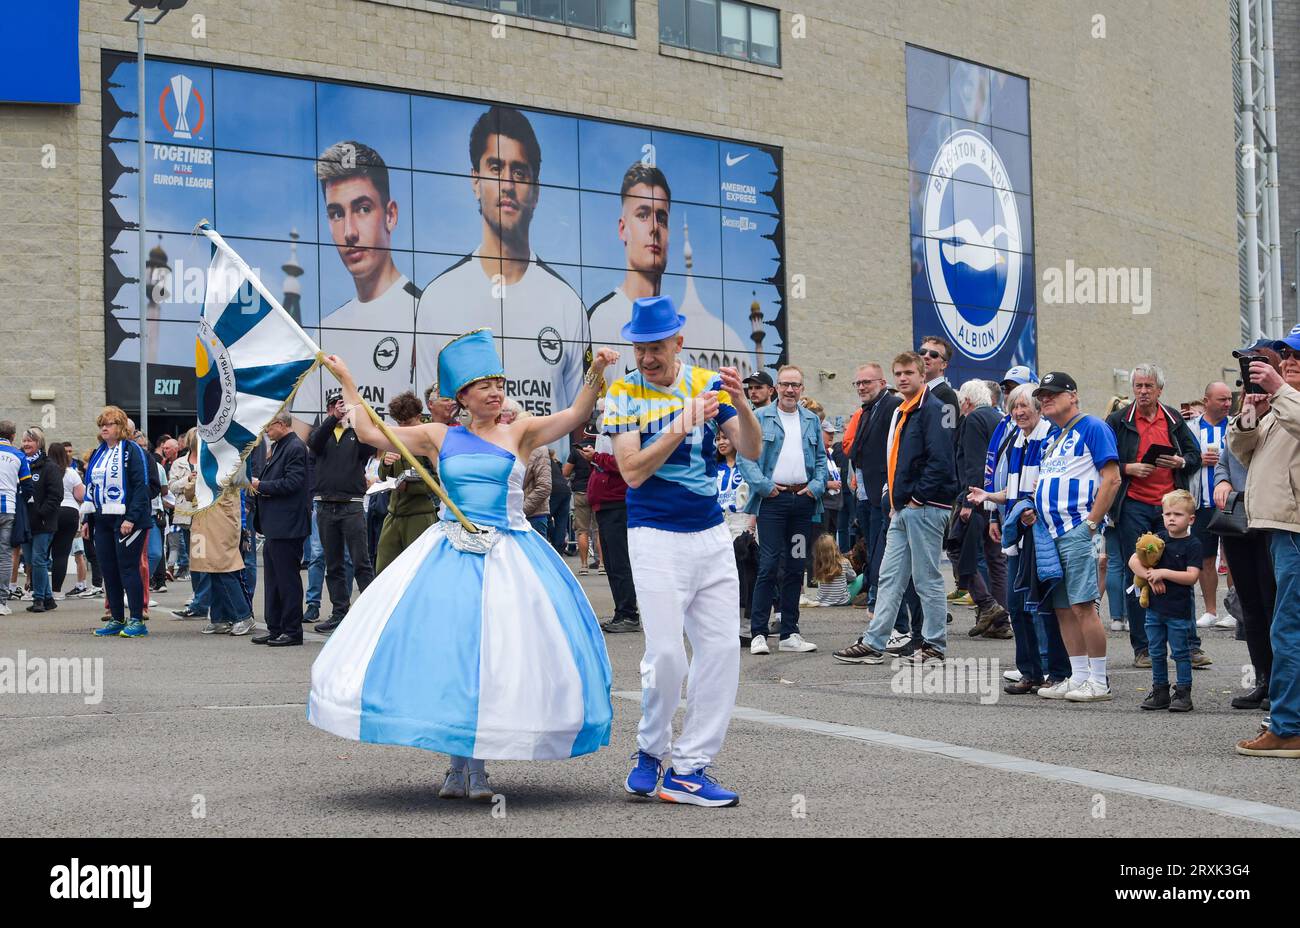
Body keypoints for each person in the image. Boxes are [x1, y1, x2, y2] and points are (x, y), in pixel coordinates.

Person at [308, 330, 616, 800]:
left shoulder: (522, 431)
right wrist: (348, 379)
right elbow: (371, 432)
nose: (494, 392)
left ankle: (478, 768)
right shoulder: (438, 436)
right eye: (483, 386)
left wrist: (597, 372)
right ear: (462, 397)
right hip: (448, 555)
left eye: (499, 382)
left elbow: (576, 414)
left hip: (511, 557)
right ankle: (457, 768)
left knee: (494, 660)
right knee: (453, 655)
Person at [606, 295, 761, 807]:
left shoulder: (705, 382)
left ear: (679, 340)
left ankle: (689, 768)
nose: (647, 357)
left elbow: (754, 450)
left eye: (656, 347)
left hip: (711, 534)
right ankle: (651, 750)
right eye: (639, 347)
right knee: (668, 655)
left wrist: (739, 404)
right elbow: (631, 471)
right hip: (653, 533)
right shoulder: (623, 393)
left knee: (719, 652)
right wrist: (680, 422)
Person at [414, 105, 590, 452]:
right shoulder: (437, 298)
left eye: (519, 172)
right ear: (475, 181)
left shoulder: (567, 303)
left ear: (536, 190)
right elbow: (429, 411)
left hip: (542, 478)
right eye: (495, 168)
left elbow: (577, 419)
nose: (507, 184)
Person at [832, 352, 957, 666]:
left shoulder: (934, 409)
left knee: (926, 577)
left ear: (921, 375)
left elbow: (942, 461)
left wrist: (915, 499)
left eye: (909, 373)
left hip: (925, 506)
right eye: (898, 373)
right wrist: (894, 497)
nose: (903, 378)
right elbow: (897, 460)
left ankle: (934, 645)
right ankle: (875, 641)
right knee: (888, 576)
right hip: (903, 508)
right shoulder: (903, 410)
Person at [303, 140, 422, 419]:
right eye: (336, 214)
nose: (349, 232)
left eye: (363, 208)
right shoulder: (325, 332)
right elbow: (301, 435)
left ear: (390, 215)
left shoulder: (424, 315)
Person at [1028, 372, 1122, 703]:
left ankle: (1099, 680)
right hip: (1052, 533)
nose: (1046, 398)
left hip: (1080, 528)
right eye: (1043, 394)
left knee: (1083, 605)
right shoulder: (1055, 436)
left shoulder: (1092, 427)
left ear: (1074, 395)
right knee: (1063, 608)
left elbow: (1112, 478)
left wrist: (1092, 524)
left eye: (1054, 393)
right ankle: (1078, 675)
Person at [967, 384, 1066, 694]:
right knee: (1017, 605)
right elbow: (1012, 490)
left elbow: (1047, 487)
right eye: (1014, 407)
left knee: (1043, 607)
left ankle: (1056, 671)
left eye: (1025, 406)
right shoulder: (1017, 440)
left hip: (1041, 535)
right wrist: (990, 500)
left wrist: (1031, 509)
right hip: (1016, 535)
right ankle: (1030, 671)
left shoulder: (1050, 437)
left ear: (1039, 408)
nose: (1019, 412)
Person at [1106, 363, 1204, 669]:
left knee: (1178, 571)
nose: (1143, 392)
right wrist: (1128, 468)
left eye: (1149, 386)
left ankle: (1189, 645)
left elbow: (1195, 456)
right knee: (1139, 574)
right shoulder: (1119, 420)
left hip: (1169, 505)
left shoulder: (1173, 418)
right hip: (1133, 504)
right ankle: (1144, 648)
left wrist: (1179, 461)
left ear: (1160, 389)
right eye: (1138, 386)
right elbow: (1102, 460)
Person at [1232, 330, 1300, 757]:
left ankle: (1288, 726)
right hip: (1278, 527)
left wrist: (1280, 390)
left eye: (1295, 354)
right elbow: (1245, 455)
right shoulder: (1284, 402)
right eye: (1285, 353)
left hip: (1294, 529)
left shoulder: (1289, 399)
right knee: (1286, 625)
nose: (1287, 359)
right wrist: (1248, 416)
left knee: (1288, 629)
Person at [737, 364, 826, 655]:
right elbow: (745, 459)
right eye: (785, 384)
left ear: (802, 389)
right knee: (768, 565)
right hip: (772, 503)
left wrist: (815, 487)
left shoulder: (811, 420)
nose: (790, 390)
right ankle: (759, 632)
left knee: (796, 566)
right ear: (776, 387)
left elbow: (822, 461)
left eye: (796, 385)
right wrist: (764, 487)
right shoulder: (759, 418)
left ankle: (790, 632)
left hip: (802, 503)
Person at [309, 387, 377, 633]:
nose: (339, 409)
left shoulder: (356, 435)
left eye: (342, 406)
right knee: (333, 563)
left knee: (361, 561)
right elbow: (313, 444)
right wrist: (333, 419)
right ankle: (339, 612)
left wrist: (356, 419)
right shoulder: (322, 434)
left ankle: (370, 613)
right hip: (326, 505)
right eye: (334, 406)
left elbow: (370, 447)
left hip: (352, 505)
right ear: (328, 410)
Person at [1214, 433, 1275, 709]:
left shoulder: (1283, 415)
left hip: (1270, 519)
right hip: (1237, 517)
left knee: (1272, 603)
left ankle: (1281, 684)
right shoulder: (1241, 421)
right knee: (1249, 605)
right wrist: (1222, 480)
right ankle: (1262, 680)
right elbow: (1223, 461)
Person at [175, 431, 255, 638]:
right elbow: (189, 493)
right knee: (208, 569)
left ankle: (243, 615)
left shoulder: (230, 458)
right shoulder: (202, 465)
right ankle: (219, 618)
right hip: (201, 521)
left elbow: (233, 484)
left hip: (222, 521)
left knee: (225, 567)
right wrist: (193, 479)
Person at [1129, 489, 1202, 712]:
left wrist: (1164, 573)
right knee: (1156, 651)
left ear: (1191, 519)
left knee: (1180, 653)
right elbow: (1133, 560)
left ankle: (1183, 693)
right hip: (1154, 608)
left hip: (1178, 611)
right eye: (1167, 513)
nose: (1171, 518)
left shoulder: (1193, 544)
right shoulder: (1158, 539)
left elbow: (1192, 576)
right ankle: (1160, 690)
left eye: (1177, 514)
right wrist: (1150, 576)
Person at [84, 406, 152, 638]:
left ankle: (136, 620)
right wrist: (87, 518)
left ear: (121, 427)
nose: (105, 427)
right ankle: (116, 617)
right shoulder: (99, 452)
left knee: (128, 568)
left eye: (110, 423)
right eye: (102, 423)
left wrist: (131, 518)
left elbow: (142, 487)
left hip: (128, 520)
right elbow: (92, 488)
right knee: (108, 570)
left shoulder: (132, 450)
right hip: (102, 519)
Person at [951, 379, 1010, 638]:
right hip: (996, 498)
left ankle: (988, 605)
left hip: (977, 497)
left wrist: (967, 500)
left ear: (966, 401)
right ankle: (1002, 622)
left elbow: (975, 462)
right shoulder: (999, 418)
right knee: (995, 558)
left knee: (957, 548)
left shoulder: (973, 420)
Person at [251, 412, 311, 646]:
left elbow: (293, 483)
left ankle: (292, 630)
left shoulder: (295, 447)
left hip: (288, 525)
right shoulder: (280, 447)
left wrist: (260, 485)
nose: (266, 430)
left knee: (287, 580)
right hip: (275, 524)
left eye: (269, 426)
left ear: (282, 424)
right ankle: (275, 627)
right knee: (273, 580)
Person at [373, 391, 438, 574]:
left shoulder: (430, 440)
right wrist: (386, 464)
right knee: (384, 572)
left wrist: (409, 486)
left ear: (419, 417)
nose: (402, 427)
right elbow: (383, 475)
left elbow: (439, 480)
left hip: (420, 515)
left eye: (407, 423)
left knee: (418, 572)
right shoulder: (395, 436)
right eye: (399, 423)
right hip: (394, 514)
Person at [588, 420, 641, 634]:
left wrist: (596, 457)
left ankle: (628, 613)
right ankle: (622, 611)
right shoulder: (611, 433)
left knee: (619, 562)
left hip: (616, 504)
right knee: (611, 563)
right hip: (606, 504)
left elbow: (624, 464)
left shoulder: (625, 432)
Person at [1191, 381, 1234, 630]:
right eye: (1222, 399)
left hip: (1230, 501)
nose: (1228, 404)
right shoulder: (1191, 428)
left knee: (1232, 557)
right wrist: (1198, 459)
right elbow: (1182, 457)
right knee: (1205, 557)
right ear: (1206, 400)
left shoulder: (1237, 425)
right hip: (1201, 501)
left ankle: (1234, 609)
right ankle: (1210, 610)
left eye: (1229, 399)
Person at [715, 431, 756, 629]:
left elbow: (757, 494)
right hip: (719, 522)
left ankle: (746, 625)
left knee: (746, 575)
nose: (721, 442)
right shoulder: (713, 467)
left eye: (725, 437)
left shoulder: (747, 465)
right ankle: (724, 623)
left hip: (743, 520)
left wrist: (751, 525)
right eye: (718, 439)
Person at [20, 428, 61, 613]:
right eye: (25, 441)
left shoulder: (49, 466)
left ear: (39, 444)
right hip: (26, 521)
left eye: (31, 441)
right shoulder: (20, 463)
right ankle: (49, 599)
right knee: (31, 560)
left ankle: (38, 599)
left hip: (43, 522)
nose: (27, 444)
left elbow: (55, 495)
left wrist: (41, 513)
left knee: (38, 559)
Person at [502, 400, 553, 535]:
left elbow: (544, 486)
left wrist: (520, 509)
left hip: (533, 516)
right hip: (510, 516)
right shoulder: (508, 446)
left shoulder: (539, 449)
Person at [0, 420, 30, 616]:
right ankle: (1, 601)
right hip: (8, 507)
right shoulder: (19, 455)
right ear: (12, 436)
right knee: (4, 555)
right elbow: (28, 488)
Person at [46, 442, 83, 599]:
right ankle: (56, 591)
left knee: (41, 552)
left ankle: (35, 589)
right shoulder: (72, 473)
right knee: (61, 554)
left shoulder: (44, 471)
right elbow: (80, 496)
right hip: (69, 512)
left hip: (50, 511)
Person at [564, 435, 601, 575]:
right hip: (598, 492)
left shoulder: (576, 450)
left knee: (582, 530)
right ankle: (602, 565)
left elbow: (565, 472)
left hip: (580, 492)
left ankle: (584, 566)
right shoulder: (601, 447)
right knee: (599, 530)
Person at [918, 335, 960, 437]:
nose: (926, 356)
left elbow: (947, 436)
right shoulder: (917, 392)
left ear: (943, 365)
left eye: (934, 354)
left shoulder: (946, 395)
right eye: (922, 352)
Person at [808, 533, 856, 607]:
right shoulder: (844, 562)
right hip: (842, 600)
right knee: (862, 577)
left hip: (822, 601)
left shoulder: (818, 564)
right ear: (835, 547)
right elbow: (853, 577)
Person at [546, 447, 571, 556]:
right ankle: (559, 546)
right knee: (561, 520)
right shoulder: (555, 463)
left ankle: (555, 540)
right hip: (565, 490)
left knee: (543, 517)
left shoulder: (541, 461)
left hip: (553, 490)